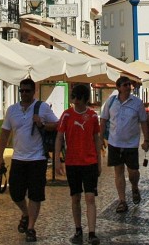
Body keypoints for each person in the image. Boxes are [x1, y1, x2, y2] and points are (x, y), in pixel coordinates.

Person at [0, 79, 59, 242]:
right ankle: (25, 213)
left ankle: (31, 227)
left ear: (33, 91)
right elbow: (4, 134)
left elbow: (58, 125)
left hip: (37, 158)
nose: (24, 93)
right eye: (22, 91)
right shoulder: (12, 110)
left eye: (27, 91)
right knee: (16, 193)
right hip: (18, 158)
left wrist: (43, 123)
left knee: (35, 195)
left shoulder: (42, 107)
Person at [55, 84, 102, 245]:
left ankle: (92, 232)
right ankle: (78, 229)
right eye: (74, 98)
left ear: (84, 99)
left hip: (89, 162)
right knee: (75, 197)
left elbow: (97, 139)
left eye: (78, 98)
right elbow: (59, 138)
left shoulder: (93, 116)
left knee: (90, 197)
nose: (76, 101)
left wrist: (99, 162)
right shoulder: (66, 115)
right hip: (72, 162)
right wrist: (57, 160)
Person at [100, 76, 149, 213]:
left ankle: (134, 186)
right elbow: (104, 120)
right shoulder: (111, 102)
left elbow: (143, 122)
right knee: (118, 172)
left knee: (133, 172)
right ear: (119, 88)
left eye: (129, 85)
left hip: (131, 144)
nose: (128, 87)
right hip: (115, 142)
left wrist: (146, 140)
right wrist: (100, 138)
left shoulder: (137, 103)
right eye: (125, 85)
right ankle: (122, 201)